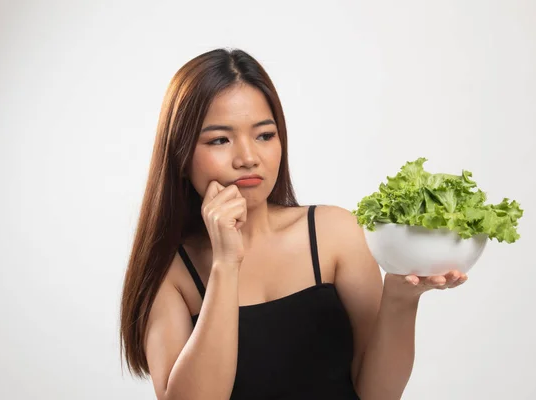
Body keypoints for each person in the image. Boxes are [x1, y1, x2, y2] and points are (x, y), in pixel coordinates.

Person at [119, 48, 468, 400]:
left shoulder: (334, 233)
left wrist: (400, 299)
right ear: (180, 154)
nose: (248, 158)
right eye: (220, 140)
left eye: (264, 135)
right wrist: (226, 263)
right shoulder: (169, 273)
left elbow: (378, 395)